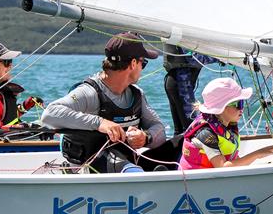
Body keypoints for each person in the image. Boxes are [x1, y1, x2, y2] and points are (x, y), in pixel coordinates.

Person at [41, 31, 174, 173]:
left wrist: (146, 137)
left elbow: (159, 128)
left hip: (128, 160)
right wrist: (99, 123)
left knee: (180, 143)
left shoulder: (137, 94)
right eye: (144, 63)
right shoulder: (89, 93)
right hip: (97, 163)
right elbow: (49, 115)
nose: (142, 68)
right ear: (133, 63)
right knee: (118, 161)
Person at [179, 77, 273, 170]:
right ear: (221, 108)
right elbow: (222, 167)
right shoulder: (206, 133)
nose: (241, 109)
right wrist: (258, 154)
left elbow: (232, 159)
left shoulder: (226, 125)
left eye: (242, 103)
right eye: (238, 104)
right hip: (196, 184)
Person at [163, 44, 218, 135]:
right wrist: (221, 57)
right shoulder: (185, 36)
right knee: (193, 130)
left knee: (181, 130)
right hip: (181, 83)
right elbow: (193, 58)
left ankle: (179, 148)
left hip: (176, 82)